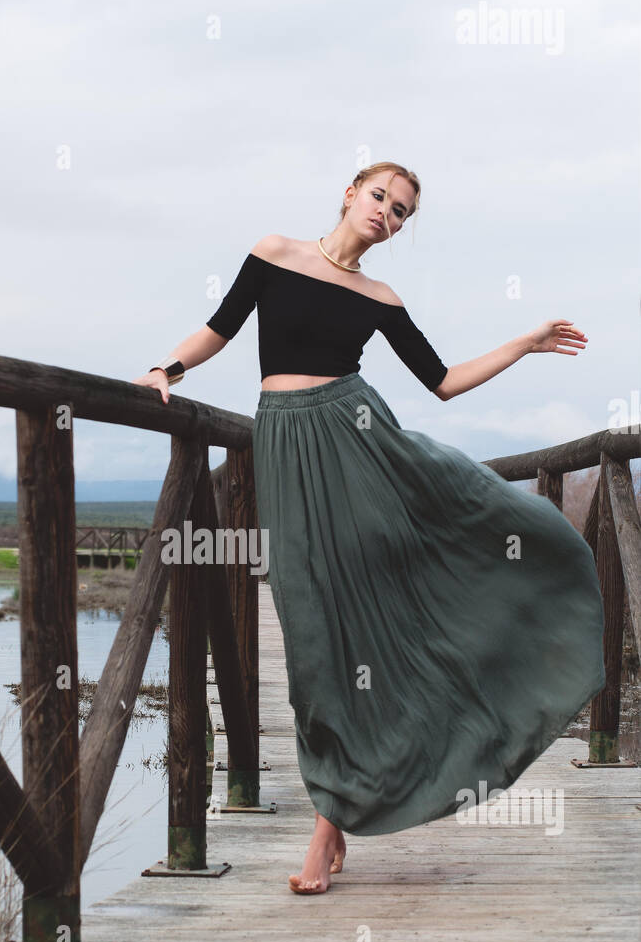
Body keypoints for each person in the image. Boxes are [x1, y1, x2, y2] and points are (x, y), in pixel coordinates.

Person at [132, 161, 606, 895]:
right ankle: (344, 803)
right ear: (350, 192)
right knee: (311, 631)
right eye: (380, 196)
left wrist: (523, 342)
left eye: (403, 211)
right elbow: (218, 330)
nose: (388, 212)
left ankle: (327, 827)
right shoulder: (274, 252)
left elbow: (441, 382)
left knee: (364, 632)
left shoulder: (380, 298)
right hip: (286, 450)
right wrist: (164, 369)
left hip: (361, 449)